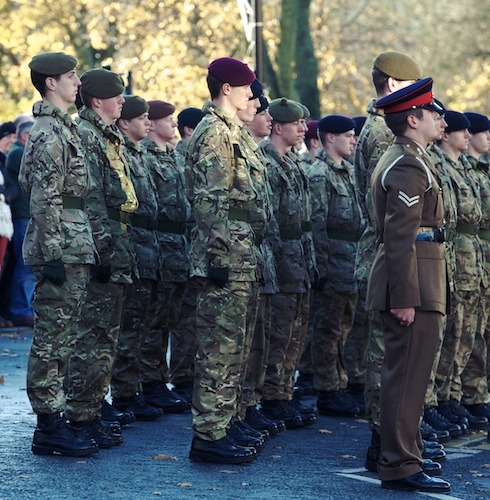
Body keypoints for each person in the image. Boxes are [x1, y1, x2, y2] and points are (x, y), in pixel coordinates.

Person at [366, 77, 450, 493]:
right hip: (413, 282)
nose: (441, 119)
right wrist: (404, 298)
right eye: (434, 112)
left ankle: (407, 454)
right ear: (414, 118)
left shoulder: (410, 158)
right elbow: (399, 238)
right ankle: (399, 463)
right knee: (405, 376)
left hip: (421, 277)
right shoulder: (406, 165)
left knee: (412, 376)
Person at [19, 51, 98, 457]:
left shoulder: (62, 128)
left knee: (64, 336)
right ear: (51, 82)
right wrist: (52, 252)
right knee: (52, 339)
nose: (77, 83)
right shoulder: (49, 132)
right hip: (60, 246)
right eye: (70, 76)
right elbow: (45, 198)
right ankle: (48, 425)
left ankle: (57, 417)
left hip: (71, 243)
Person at [352, 51, 426, 468]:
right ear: (396, 86)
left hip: (380, 248)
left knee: (389, 354)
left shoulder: (377, 125)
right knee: (388, 356)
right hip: (386, 252)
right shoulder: (386, 132)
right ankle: (386, 443)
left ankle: (392, 439)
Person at [186, 56, 259, 464]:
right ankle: (209, 436)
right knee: (219, 346)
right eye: (245, 86)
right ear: (226, 89)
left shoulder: (232, 132)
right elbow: (210, 201)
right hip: (225, 254)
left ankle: (223, 424)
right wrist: (217, 256)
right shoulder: (214, 133)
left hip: (239, 251)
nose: (251, 94)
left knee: (235, 346)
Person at [65, 68, 138, 445]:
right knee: (91, 335)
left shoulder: (107, 135)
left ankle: (92, 407)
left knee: (106, 336)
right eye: (117, 95)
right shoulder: (87, 134)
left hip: (116, 241)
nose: (122, 101)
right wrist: (102, 249)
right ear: (97, 100)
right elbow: (90, 196)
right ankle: (79, 413)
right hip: (102, 243)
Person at [306, 115, 364, 417]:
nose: (353, 140)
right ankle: (329, 389)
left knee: (345, 327)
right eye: (348, 135)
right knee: (328, 329)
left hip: (350, 260)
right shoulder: (320, 174)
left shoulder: (348, 172)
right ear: (330, 138)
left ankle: (342, 383)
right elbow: (317, 224)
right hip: (333, 263)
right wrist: (321, 267)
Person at [259, 98, 312, 429]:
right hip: (282, 260)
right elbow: (271, 221)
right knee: (278, 333)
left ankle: (283, 394)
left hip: (299, 260)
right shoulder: (268, 164)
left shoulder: (292, 162)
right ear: (279, 127)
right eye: (297, 124)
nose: (304, 129)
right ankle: (271, 397)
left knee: (295, 332)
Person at [110, 95, 163, 420]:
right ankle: (123, 393)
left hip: (147, 246)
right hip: (131, 244)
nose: (148, 123)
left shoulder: (139, 154)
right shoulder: (125, 155)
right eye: (141, 118)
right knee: (127, 326)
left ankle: (133, 390)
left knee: (142, 324)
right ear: (125, 122)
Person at [138, 99, 191, 414]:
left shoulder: (172, 157)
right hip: (157, 243)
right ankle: (149, 382)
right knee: (153, 320)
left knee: (168, 317)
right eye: (167, 119)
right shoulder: (145, 157)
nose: (172, 124)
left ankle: (158, 380)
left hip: (175, 246)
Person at [6, 120, 36, 328]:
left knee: (29, 265)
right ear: (25, 136)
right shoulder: (18, 152)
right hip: (23, 216)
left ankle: (26, 309)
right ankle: (21, 311)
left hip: (28, 215)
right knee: (25, 266)